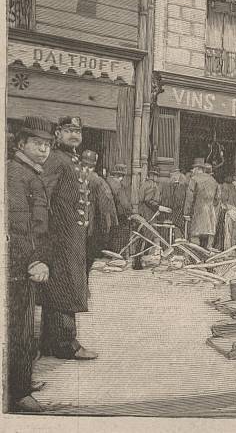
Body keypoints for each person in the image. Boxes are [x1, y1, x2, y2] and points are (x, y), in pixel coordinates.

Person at [39, 116, 97, 360]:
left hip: (72, 235)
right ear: (58, 133)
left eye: (78, 131)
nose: (75, 135)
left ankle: (51, 342)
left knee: (66, 286)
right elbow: (44, 196)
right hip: (60, 236)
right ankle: (65, 344)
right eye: (69, 130)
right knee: (64, 287)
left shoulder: (70, 159)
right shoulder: (55, 159)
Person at [7, 127, 53, 412]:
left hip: (25, 262)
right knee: (19, 330)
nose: (44, 149)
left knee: (24, 328)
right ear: (21, 143)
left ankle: (20, 383)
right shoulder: (16, 173)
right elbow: (18, 225)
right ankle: (18, 393)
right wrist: (32, 261)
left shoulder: (29, 172)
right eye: (37, 143)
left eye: (47, 144)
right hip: (18, 265)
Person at [81, 150, 118, 276]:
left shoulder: (74, 176)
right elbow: (106, 208)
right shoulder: (99, 181)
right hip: (90, 227)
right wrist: (106, 229)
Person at [185, 160, 220, 248]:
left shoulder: (194, 179)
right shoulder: (214, 181)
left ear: (198, 169)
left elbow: (189, 198)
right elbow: (217, 199)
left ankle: (195, 258)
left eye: (193, 169)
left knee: (195, 236)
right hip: (211, 213)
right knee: (209, 238)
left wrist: (186, 212)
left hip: (198, 212)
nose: (192, 171)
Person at [106, 164, 133, 254]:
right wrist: (130, 213)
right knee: (122, 234)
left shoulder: (106, 182)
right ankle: (120, 253)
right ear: (119, 175)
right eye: (122, 176)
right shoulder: (118, 186)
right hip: (120, 214)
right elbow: (124, 203)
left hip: (110, 214)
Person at [160, 169, 188, 240]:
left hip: (176, 212)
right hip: (173, 211)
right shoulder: (170, 185)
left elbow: (178, 202)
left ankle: (178, 238)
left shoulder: (180, 186)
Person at [221, 169, 236, 249]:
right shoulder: (228, 187)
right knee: (228, 234)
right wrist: (231, 208)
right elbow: (223, 202)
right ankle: (227, 251)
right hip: (230, 213)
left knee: (235, 234)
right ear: (234, 178)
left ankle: (232, 250)